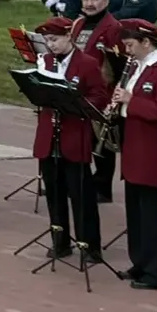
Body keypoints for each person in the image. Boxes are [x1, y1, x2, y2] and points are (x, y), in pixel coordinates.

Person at [112, 17, 157, 290]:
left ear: (146, 42)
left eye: (130, 45)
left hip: (155, 153)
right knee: (137, 214)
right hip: (136, 149)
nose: (127, 50)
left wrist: (130, 100)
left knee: (155, 216)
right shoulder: (137, 66)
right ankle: (141, 263)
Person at [30, 14, 107, 259]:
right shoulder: (45, 61)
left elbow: (99, 96)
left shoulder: (87, 63)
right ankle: (60, 242)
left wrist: (76, 102)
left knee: (81, 195)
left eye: (54, 39)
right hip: (48, 136)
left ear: (68, 37)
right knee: (54, 194)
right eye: (47, 40)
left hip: (74, 135)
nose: (50, 45)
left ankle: (90, 245)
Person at [70, 0, 125, 203]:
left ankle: (102, 187)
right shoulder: (78, 23)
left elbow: (118, 64)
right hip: (76, 88)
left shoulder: (114, 28)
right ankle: (80, 181)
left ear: (106, 1)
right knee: (79, 137)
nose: (89, 4)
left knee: (101, 141)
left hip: (101, 91)